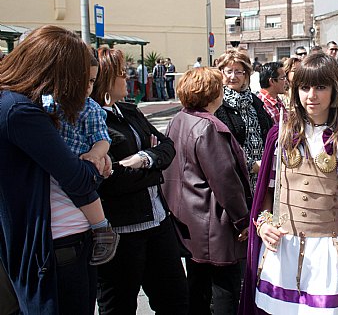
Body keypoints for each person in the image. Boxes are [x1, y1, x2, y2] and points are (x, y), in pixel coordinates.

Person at [239, 53, 338, 315]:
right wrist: (263, 224)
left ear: (335, 90)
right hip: (281, 255)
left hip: (327, 259)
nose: (311, 95)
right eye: (304, 87)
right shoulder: (280, 134)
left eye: (321, 87)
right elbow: (266, 193)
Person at [0, 25, 102, 314]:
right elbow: (78, 178)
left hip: (44, 248)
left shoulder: (10, 103)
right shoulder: (20, 112)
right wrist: (96, 166)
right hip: (55, 251)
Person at [91, 47, 188, 314]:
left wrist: (143, 159)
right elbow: (110, 180)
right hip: (121, 232)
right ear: (107, 79)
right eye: (123, 73)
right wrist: (154, 167)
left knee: (176, 300)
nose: (128, 78)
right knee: (118, 306)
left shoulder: (130, 111)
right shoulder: (92, 119)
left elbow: (167, 147)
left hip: (158, 222)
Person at [162, 67, 252, 314]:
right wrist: (242, 219)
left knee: (198, 287)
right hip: (213, 220)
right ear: (213, 94)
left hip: (187, 219)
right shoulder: (209, 127)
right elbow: (226, 182)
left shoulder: (179, 119)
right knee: (225, 289)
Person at [42, 53, 119, 267]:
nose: (88, 86)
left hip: (80, 162)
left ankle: (102, 228)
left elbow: (102, 139)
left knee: (85, 194)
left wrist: (96, 154)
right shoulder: (47, 102)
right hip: (55, 164)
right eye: (83, 79)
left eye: (92, 81)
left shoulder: (90, 108)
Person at [215, 50, 273, 192]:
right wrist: (251, 166)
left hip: (262, 179)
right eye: (229, 71)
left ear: (246, 75)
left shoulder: (254, 100)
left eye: (238, 72)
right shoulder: (216, 104)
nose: (233, 76)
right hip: (235, 182)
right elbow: (219, 149)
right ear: (221, 73)